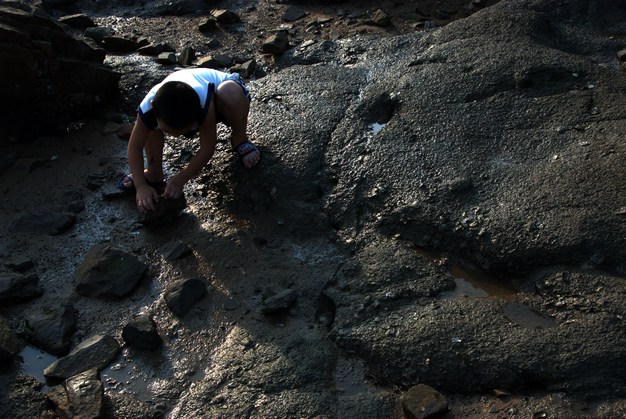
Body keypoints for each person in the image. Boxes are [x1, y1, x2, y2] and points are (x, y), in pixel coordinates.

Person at [119, 68, 260, 213]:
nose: (175, 137)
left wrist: (181, 178)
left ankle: (240, 139)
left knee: (229, 92)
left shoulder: (203, 102)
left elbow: (207, 148)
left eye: (184, 131)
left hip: (223, 96)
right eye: (169, 132)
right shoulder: (149, 106)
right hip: (178, 108)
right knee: (149, 126)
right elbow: (135, 146)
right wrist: (140, 185)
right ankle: (154, 173)